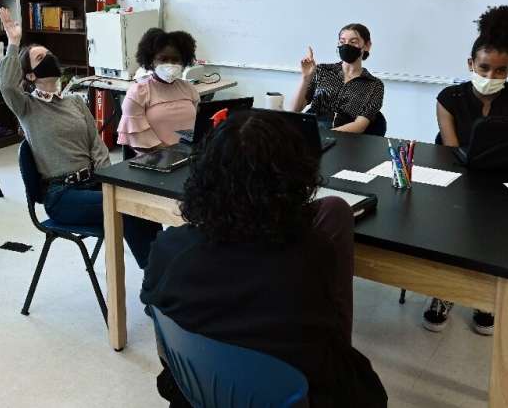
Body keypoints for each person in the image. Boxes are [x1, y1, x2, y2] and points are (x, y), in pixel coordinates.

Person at [141, 110, 388, 407]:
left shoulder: (169, 248)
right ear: (295, 181)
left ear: (204, 176)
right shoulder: (311, 254)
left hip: (196, 394)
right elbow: (328, 337)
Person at [0, 8, 160, 268]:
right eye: (41, 58)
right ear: (30, 75)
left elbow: (97, 147)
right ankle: (156, 284)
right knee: (127, 209)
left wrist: (109, 182)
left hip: (93, 184)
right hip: (62, 195)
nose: (49, 56)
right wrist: (13, 43)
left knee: (142, 203)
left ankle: (164, 275)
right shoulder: (27, 107)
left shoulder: (74, 102)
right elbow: (6, 85)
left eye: (48, 53)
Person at [424, 5, 508, 335]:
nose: (491, 77)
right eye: (484, 68)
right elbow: (452, 151)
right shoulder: (449, 97)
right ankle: (444, 293)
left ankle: (484, 297)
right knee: (452, 231)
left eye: (501, 71)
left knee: (499, 232)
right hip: (457, 180)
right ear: (470, 64)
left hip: (501, 183)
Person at [292, 23, 385, 133]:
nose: (346, 45)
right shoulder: (322, 70)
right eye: (342, 42)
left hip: (345, 138)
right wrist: (305, 78)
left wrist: (326, 136)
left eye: (353, 42)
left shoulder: (374, 85)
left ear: (367, 45)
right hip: (311, 130)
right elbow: (295, 110)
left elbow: (360, 125)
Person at [117, 28, 199, 151]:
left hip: (186, 156)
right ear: (151, 61)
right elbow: (137, 137)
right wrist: (168, 154)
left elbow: (193, 126)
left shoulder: (189, 89)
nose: (170, 64)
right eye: (163, 59)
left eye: (175, 59)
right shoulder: (138, 93)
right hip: (153, 160)